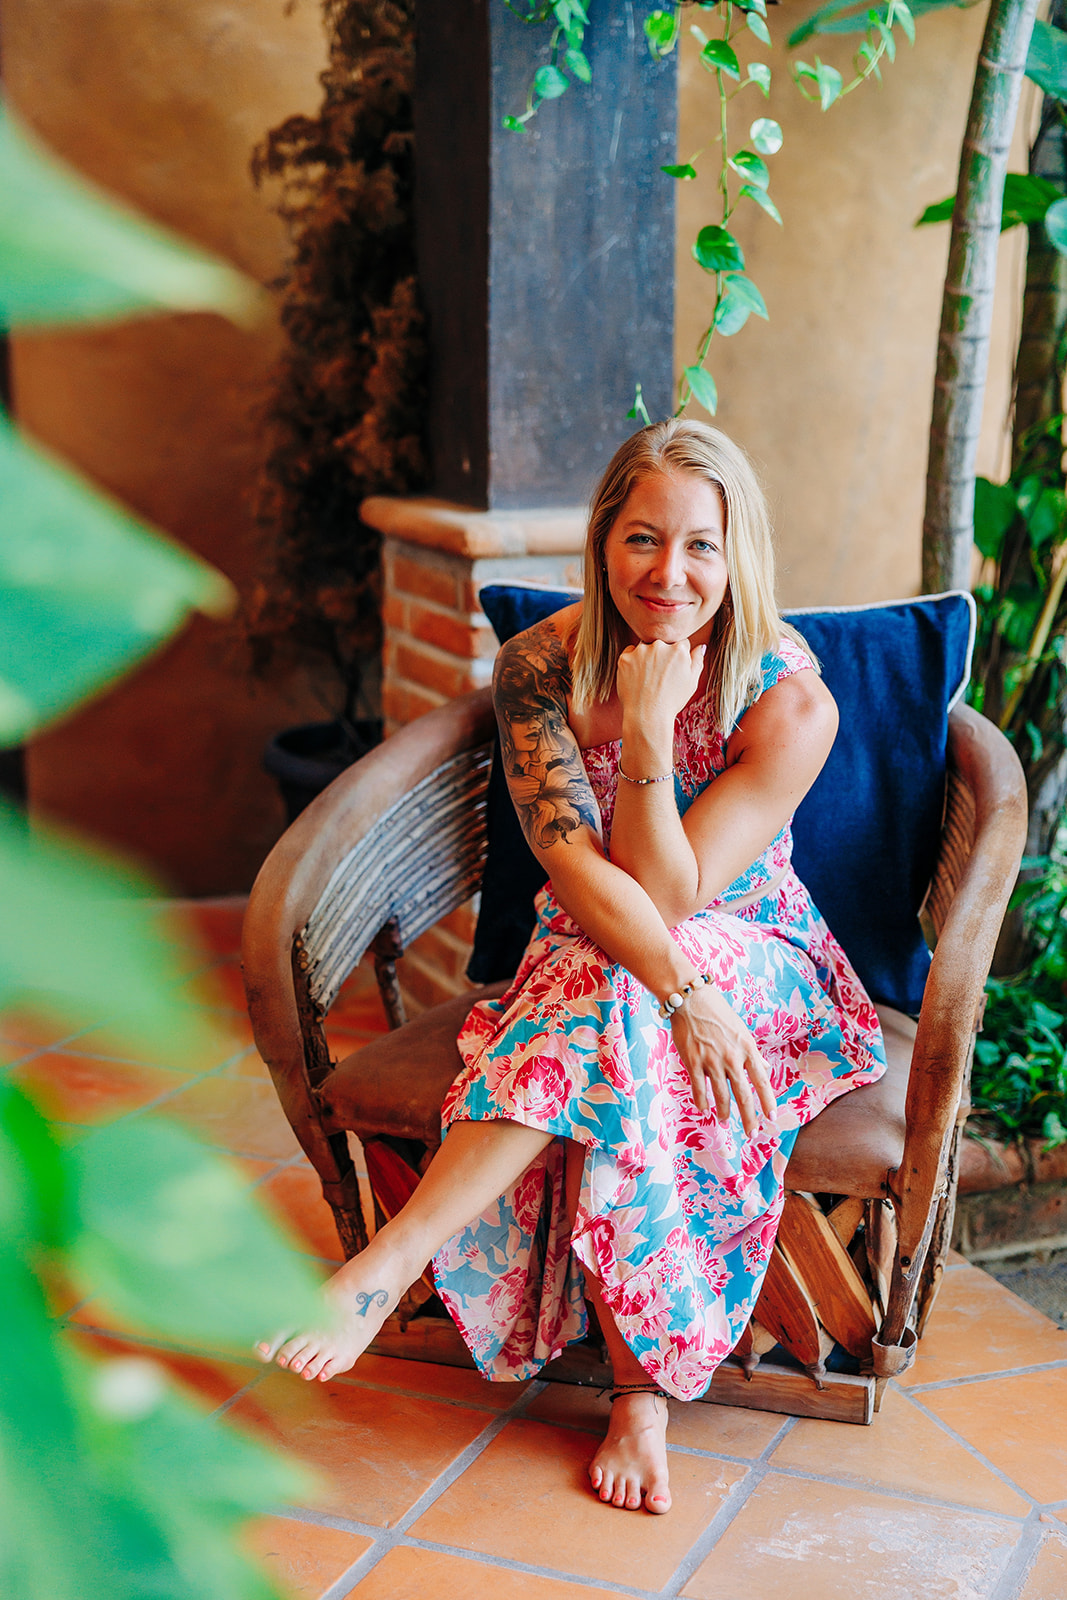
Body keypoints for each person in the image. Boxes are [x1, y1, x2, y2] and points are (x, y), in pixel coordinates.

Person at [257, 419, 886, 1515]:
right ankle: (637, 1392)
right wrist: (678, 995)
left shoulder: (791, 702)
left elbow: (675, 894)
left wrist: (647, 734)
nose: (668, 573)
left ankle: (390, 1266)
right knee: (621, 994)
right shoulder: (538, 666)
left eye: (700, 545)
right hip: (599, 938)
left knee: (618, 992)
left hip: (755, 951)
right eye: (642, 537)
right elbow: (574, 866)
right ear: (600, 541)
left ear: (737, 553)